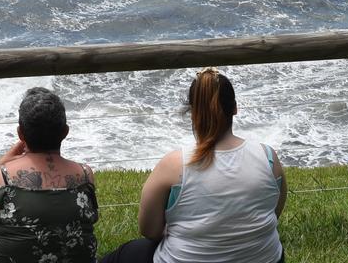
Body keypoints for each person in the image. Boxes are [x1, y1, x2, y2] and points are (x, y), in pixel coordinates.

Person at [102, 69, 286, 263]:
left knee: (126, 253)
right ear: (235, 108)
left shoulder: (174, 165)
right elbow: (274, 211)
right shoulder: (268, 157)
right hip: (267, 259)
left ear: (192, 112)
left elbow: (149, 230)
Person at [0, 87, 99, 263]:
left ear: (20, 133)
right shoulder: (84, 175)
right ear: (65, 132)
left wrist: (1, 164)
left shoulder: (0, 176)